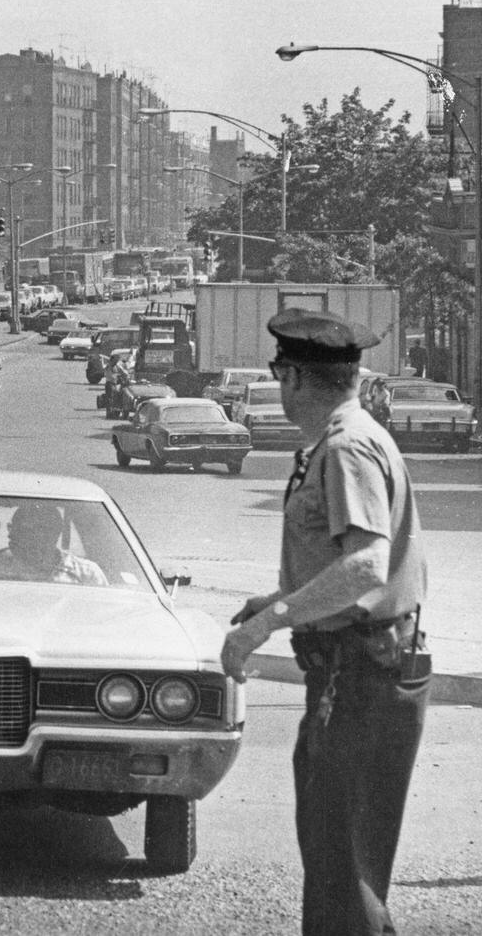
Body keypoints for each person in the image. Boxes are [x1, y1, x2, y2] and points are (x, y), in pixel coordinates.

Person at [220, 308, 429, 936]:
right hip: (357, 671)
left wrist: (263, 627)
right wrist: (278, 600)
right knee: (341, 867)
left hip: (361, 676)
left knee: (343, 874)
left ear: (293, 377)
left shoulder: (346, 447)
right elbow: (353, 565)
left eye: (279, 372)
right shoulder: (345, 438)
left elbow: (365, 568)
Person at [0, 502, 107, 585]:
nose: (32, 537)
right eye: (25, 530)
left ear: (55, 534)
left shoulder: (86, 573)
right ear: (11, 531)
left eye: (40, 530)